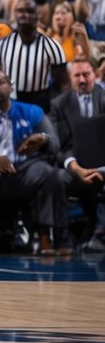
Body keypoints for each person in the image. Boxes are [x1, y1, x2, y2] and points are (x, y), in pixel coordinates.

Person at [0, 68, 65, 256]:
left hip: (25, 170)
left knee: (49, 173)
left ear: (11, 87)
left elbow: (55, 144)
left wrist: (42, 139)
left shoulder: (32, 111)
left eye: (1, 82)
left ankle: (44, 235)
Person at [49, 58, 105, 252]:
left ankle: (100, 232)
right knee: (57, 177)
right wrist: (76, 168)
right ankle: (63, 238)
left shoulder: (104, 97)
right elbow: (58, 145)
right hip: (73, 165)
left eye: (86, 74)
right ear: (70, 78)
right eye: (77, 75)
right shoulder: (58, 104)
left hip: (103, 164)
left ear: (96, 75)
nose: (82, 80)